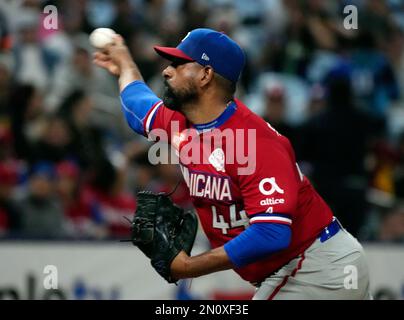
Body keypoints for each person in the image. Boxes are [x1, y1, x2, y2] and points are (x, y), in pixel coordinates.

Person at [93, 28, 371, 300]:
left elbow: (271, 233)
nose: (167, 71)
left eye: (178, 64)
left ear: (206, 75)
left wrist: (189, 267)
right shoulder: (182, 123)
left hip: (315, 266)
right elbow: (137, 107)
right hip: (297, 269)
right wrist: (124, 62)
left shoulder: (255, 142)